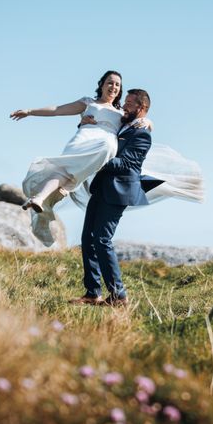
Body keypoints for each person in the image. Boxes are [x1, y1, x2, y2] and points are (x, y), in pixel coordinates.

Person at [10, 71, 150, 246]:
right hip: (82, 140)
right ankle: (40, 198)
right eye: (110, 83)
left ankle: (55, 194)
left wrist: (149, 122)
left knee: (84, 164)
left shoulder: (121, 112)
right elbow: (58, 110)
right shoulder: (88, 103)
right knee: (64, 170)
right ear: (102, 84)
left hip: (103, 146)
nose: (113, 87)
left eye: (117, 85)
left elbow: (140, 120)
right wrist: (30, 111)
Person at [70, 89, 163, 307]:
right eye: (125, 102)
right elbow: (102, 133)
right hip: (101, 187)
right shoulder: (123, 124)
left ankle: (118, 296)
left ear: (141, 109)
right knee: (87, 239)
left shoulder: (142, 134)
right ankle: (92, 292)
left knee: (102, 239)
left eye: (129, 103)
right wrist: (83, 123)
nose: (124, 106)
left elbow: (128, 164)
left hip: (119, 191)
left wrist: (98, 159)